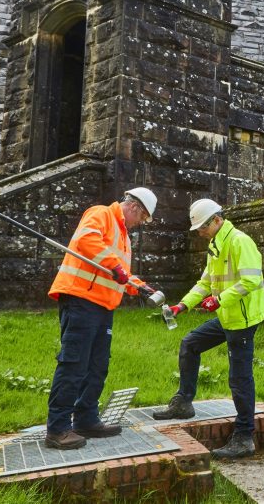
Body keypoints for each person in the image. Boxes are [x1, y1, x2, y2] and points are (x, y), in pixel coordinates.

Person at [44, 187, 158, 450]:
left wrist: (140, 287)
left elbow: (122, 274)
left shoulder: (124, 237)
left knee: (97, 365)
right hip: (81, 299)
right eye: (142, 219)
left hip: (104, 306)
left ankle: (85, 418)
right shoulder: (101, 214)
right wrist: (115, 266)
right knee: (73, 364)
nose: (140, 224)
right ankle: (58, 428)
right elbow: (87, 240)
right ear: (134, 208)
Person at [153, 198, 264, 460]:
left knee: (239, 377)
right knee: (190, 343)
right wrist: (183, 305)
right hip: (227, 316)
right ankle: (183, 403)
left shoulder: (240, 241)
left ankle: (244, 436)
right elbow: (204, 283)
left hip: (244, 319)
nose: (200, 232)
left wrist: (219, 299)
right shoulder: (215, 245)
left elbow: (251, 280)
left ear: (217, 220)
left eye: (203, 227)